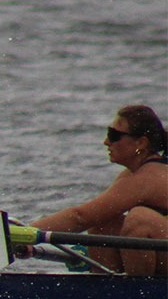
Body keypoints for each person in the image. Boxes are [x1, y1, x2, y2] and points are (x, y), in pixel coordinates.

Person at [25, 105, 167, 276]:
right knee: (103, 222)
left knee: (139, 219)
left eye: (114, 136)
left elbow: (80, 217)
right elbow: (91, 216)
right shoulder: (131, 175)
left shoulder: (149, 176)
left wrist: (26, 234)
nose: (106, 142)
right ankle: (103, 289)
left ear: (141, 143)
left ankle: (137, 294)